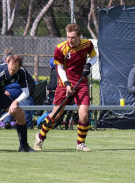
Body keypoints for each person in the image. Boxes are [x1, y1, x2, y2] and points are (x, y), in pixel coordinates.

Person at [34, 23, 97, 151]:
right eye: (68, 37)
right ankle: (40, 137)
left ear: (79, 36)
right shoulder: (60, 48)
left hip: (81, 83)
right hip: (64, 85)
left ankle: (80, 143)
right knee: (56, 115)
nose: (70, 40)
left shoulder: (87, 44)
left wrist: (88, 65)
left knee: (84, 115)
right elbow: (60, 68)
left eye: (73, 37)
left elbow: (94, 57)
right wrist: (67, 84)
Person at [1, 48, 35, 129]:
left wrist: (23, 96)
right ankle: (7, 123)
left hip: (21, 96)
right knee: (3, 102)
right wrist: (3, 91)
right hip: (8, 96)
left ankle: (25, 124)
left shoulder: (22, 71)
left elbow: (31, 85)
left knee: (26, 104)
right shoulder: (1, 70)